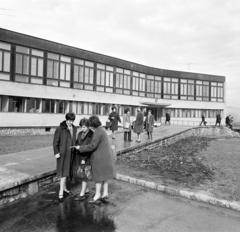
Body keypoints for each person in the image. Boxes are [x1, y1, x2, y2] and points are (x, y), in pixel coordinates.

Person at [75, 115, 115, 204]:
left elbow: (92, 146)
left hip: (100, 158)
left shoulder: (97, 132)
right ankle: (105, 193)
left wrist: (80, 148)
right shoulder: (102, 130)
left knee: (98, 177)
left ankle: (97, 195)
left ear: (93, 125)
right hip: (106, 157)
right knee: (105, 177)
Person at [53, 112, 77, 202]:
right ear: (66, 119)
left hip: (71, 153)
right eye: (69, 120)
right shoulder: (60, 129)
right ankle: (60, 192)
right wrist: (56, 152)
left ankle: (65, 189)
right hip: (62, 154)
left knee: (67, 172)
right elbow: (55, 142)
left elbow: (74, 140)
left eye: (72, 121)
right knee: (63, 173)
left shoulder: (74, 128)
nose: (71, 122)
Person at [73, 118, 93, 201]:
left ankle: (82, 194)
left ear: (88, 127)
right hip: (80, 156)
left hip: (86, 157)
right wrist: (76, 147)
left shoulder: (91, 135)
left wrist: (84, 158)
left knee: (84, 176)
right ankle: (87, 190)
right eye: (81, 127)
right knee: (82, 174)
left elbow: (90, 147)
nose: (82, 128)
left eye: (84, 127)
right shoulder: (80, 133)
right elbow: (77, 142)